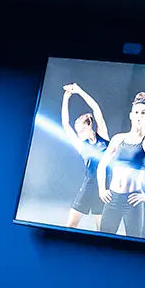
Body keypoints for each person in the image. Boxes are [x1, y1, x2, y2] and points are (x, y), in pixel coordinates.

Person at [97, 91, 145, 238]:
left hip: (133, 202)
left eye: (143, 113)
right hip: (112, 198)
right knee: (103, 239)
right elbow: (102, 165)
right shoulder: (118, 139)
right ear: (131, 115)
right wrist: (101, 189)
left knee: (133, 242)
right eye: (136, 112)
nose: (139, 116)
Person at [61, 82, 109, 230]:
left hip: (104, 190)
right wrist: (66, 97)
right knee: (70, 226)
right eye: (77, 131)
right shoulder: (81, 145)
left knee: (103, 231)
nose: (78, 134)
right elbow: (65, 124)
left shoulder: (103, 136)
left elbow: (96, 109)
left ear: (89, 126)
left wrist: (80, 91)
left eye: (81, 130)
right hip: (88, 188)